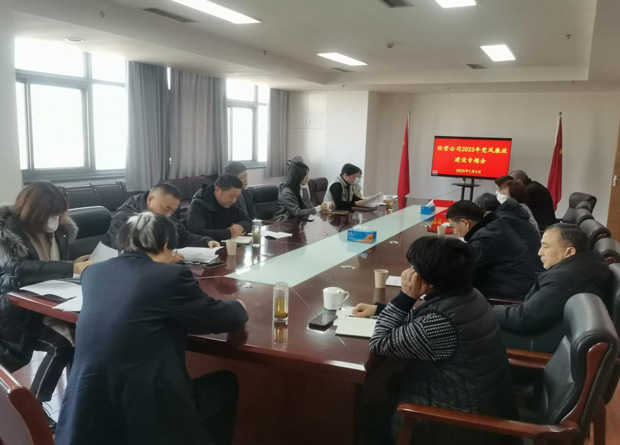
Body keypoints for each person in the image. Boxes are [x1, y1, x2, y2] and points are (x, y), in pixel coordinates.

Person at [55, 212, 249, 445]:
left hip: (86, 410)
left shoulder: (92, 273)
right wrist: (238, 306)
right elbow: (220, 319)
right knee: (226, 384)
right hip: (149, 412)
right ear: (166, 244)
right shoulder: (169, 276)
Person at [354, 237, 517, 444]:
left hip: (455, 427)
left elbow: (380, 342)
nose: (409, 273)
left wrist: (405, 297)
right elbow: (426, 320)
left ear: (429, 281)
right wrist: (380, 309)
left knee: (369, 407)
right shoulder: (470, 295)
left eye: (414, 269)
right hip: (475, 405)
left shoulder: (441, 323)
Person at [0, 181, 92, 431]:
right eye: (51, 214)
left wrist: (75, 264)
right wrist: (70, 267)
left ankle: (70, 399)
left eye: (59, 213)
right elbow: (15, 271)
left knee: (81, 337)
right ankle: (33, 406)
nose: (56, 219)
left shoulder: (60, 231)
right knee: (63, 344)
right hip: (14, 311)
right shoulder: (7, 233)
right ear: (33, 211)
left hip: (49, 303)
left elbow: (53, 266)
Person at [494, 223, 610, 352]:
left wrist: (490, 311)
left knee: (478, 333)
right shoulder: (586, 264)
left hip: (541, 342)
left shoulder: (566, 278)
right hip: (550, 332)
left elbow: (526, 319)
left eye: (546, 247)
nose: (539, 253)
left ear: (569, 251)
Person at [105, 183, 219, 263]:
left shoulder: (166, 214)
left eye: (173, 210)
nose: (169, 214)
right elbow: (126, 252)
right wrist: (163, 257)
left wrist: (206, 241)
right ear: (150, 199)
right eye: (166, 208)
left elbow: (181, 235)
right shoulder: (126, 218)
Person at [446, 201, 536, 299]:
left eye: (453, 227)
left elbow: (464, 268)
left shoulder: (485, 238)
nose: (454, 231)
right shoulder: (494, 227)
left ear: (465, 223)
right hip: (517, 286)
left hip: (509, 295)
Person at [476, 192, 543, 272]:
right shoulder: (512, 215)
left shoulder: (501, 222)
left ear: (487, 214)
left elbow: (484, 252)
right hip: (534, 265)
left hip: (526, 270)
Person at [186, 175, 253, 242]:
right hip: (206, 246)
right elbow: (196, 233)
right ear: (218, 190)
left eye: (237, 197)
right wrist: (228, 233)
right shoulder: (199, 203)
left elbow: (248, 221)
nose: (234, 200)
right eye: (231, 196)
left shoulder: (232, 202)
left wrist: (238, 227)